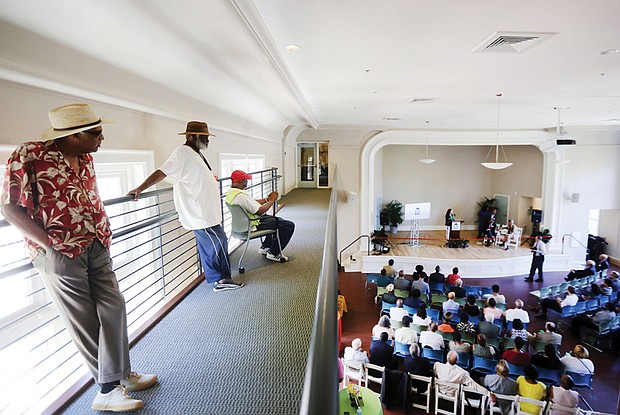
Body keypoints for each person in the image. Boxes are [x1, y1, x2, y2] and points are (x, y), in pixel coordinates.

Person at [1, 104, 156, 412]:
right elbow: (9, 208)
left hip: (96, 242)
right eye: (96, 133)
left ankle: (122, 375)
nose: (102, 138)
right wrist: (49, 243)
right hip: (58, 250)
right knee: (83, 319)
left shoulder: (85, 157)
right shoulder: (29, 155)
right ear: (73, 136)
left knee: (114, 306)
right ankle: (105, 390)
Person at [128, 121, 243, 292]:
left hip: (206, 211)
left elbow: (194, 176)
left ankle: (219, 278)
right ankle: (220, 280)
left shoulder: (195, 153)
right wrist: (140, 188)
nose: (207, 140)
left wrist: (211, 180)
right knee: (217, 243)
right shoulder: (182, 152)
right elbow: (162, 171)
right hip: (199, 213)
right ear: (191, 136)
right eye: (204, 137)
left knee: (213, 244)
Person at [225, 169, 295, 262]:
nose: (247, 182)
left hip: (241, 225)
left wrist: (267, 199)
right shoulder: (241, 196)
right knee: (288, 225)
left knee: (277, 220)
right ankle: (274, 253)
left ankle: (265, 246)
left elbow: (252, 202)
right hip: (254, 224)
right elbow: (260, 211)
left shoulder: (231, 193)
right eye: (246, 180)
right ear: (242, 181)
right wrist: (272, 200)